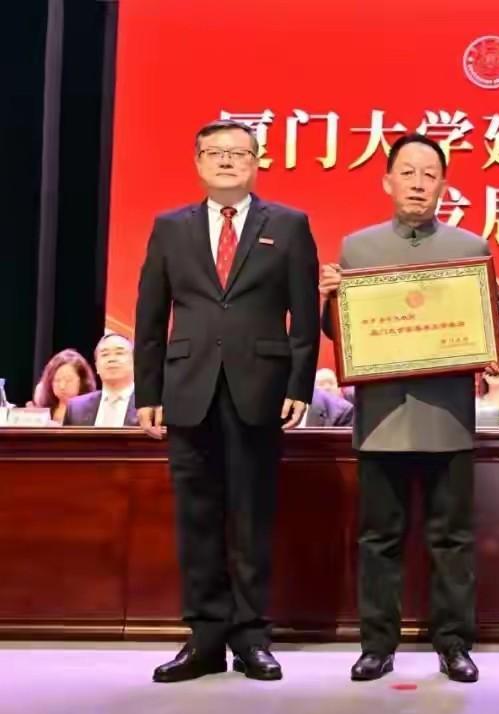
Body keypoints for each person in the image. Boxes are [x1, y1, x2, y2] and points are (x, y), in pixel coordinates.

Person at [320, 133, 499, 684]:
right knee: (378, 539)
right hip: (381, 417)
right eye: (407, 172)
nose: (417, 183)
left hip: (446, 416)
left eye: (429, 175)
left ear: (443, 186)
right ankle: (375, 646)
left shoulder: (470, 246)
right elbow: (340, 332)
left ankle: (454, 644)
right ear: (387, 181)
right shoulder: (357, 248)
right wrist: (330, 298)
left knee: (452, 540)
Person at [134, 119, 320, 683]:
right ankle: (205, 638)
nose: (226, 160)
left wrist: (299, 386)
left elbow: (304, 316)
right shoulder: (170, 227)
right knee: (196, 518)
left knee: (251, 515)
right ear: (197, 162)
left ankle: (251, 637)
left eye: (238, 153)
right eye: (214, 152)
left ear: (256, 162)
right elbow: (149, 316)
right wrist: (149, 391)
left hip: (259, 387)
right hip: (187, 388)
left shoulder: (288, 225)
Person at [63, 333, 138, 427]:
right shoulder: (76, 408)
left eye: (119, 353)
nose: (112, 359)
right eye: (105, 354)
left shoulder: (148, 406)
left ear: (135, 361)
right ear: (96, 366)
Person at [29, 349, 96, 424]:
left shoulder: (92, 412)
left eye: (68, 380)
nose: (62, 386)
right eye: (57, 380)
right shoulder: (43, 411)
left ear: (82, 381)